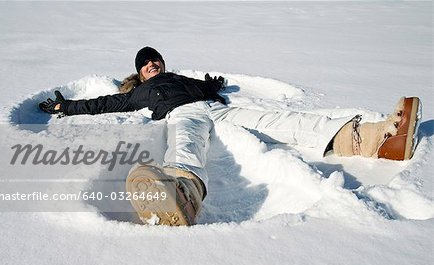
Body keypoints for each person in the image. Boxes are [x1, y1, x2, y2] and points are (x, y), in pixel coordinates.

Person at [39, 46, 422, 226]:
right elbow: (103, 104)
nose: (152, 64)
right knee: (186, 141)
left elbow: (208, 88)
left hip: (218, 109)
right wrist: (66, 107)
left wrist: (211, 85)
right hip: (182, 115)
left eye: (155, 60)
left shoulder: (181, 78)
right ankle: (183, 191)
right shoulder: (136, 93)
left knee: (278, 121)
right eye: (145, 64)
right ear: (140, 74)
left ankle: (375, 139)